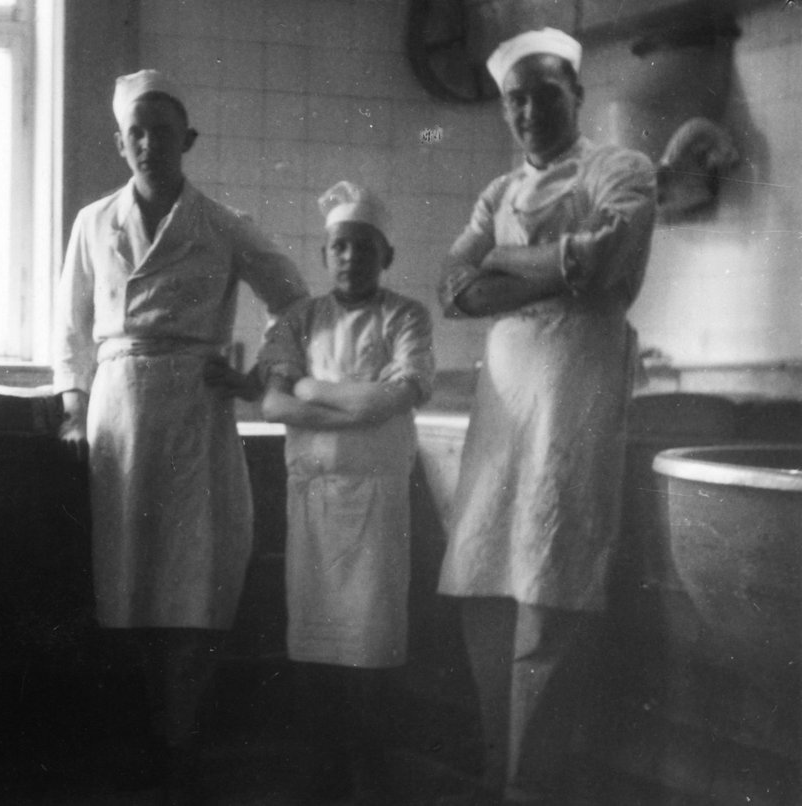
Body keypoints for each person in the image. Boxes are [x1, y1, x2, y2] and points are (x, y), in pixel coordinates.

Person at [52, 69, 308, 803]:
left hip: (195, 417)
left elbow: (294, 301)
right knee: (127, 588)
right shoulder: (92, 222)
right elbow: (71, 328)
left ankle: (181, 746)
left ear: (187, 140)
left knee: (189, 592)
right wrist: (73, 406)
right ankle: (141, 741)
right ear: (118, 141)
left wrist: (259, 373)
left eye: (162, 131)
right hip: (118, 417)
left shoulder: (222, 223)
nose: (147, 144)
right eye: (135, 131)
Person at [434, 28, 657, 806]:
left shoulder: (620, 170)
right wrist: (559, 265)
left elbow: (605, 261)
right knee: (486, 583)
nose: (527, 111)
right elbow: (452, 287)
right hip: (505, 407)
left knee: (551, 590)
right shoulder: (497, 194)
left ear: (577, 92)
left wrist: (509, 264)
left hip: (574, 396)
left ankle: (531, 791)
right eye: (513, 99)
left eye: (543, 93)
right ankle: (498, 777)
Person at [257, 181, 435, 803]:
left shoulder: (406, 316)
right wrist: (345, 404)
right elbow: (274, 399)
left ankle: (372, 769)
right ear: (325, 253)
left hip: (379, 499)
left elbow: (397, 396)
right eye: (339, 246)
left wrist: (312, 391)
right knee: (316, 636)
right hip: (314, 500)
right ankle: (324, 768)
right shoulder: (298, 318)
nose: (350, 258)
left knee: (374, 635)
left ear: (385, 254)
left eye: (363, 247)